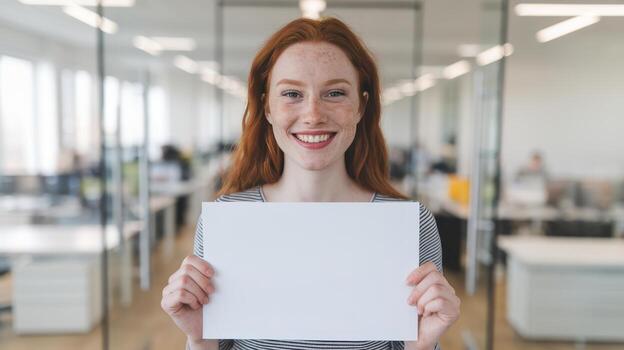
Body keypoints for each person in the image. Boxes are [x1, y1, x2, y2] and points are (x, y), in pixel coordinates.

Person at [161, 17, 460, 350]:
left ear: (361, 106)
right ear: (268, 107)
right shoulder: (228, 219)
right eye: (292, 93)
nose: (314, 114)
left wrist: (424, 344)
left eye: (335, 93)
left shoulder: (411, 224)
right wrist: (200, 339)